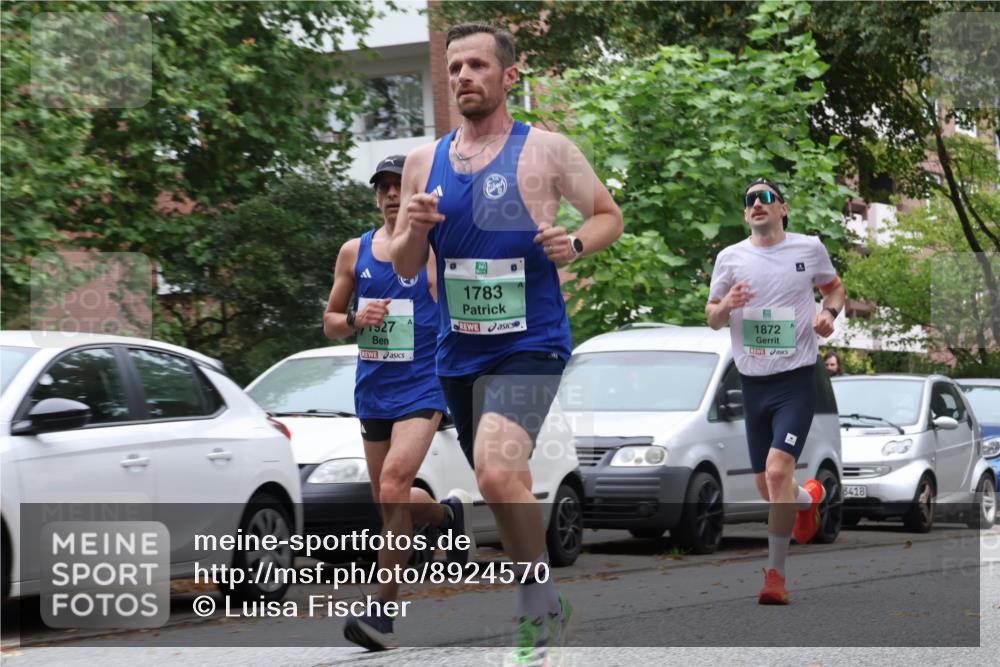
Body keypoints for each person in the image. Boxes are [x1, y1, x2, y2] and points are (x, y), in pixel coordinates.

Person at [390, 22, 623, 665]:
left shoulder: (546, 150)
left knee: (494, 469)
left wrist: (573, 243)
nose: (463, 76)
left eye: (477, 66)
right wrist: (414, 227)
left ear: (507, 77)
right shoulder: (423, 162)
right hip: (457, 353)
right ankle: (546, 599)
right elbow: (410, 267)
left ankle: (532, 606)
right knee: (505, 480)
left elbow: (608, 215)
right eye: (455, 67)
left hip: (533, 343)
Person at [323, 155, 474, 651]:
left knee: (393, 484)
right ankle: (447, 517)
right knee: (389, 503)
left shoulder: (432, 252)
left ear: (412, 194)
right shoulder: (354, 252)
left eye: (397, 186)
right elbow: (330, 321)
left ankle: (380, 616)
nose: (391, 194)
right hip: (373, 391)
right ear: (376, 196)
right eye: (382, 187)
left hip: (423, 387)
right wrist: (354, 318)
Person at [706, 177, 846, 605]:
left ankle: (775, 577)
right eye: (749, 199)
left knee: (778, 470)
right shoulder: (730, 259)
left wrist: (829, 313)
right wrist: (728, 305)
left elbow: (834, 288)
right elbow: (712, 317)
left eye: (765, 197)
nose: (756, 204)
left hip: (796, 379)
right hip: (753, 383)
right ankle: (808, 500)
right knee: (770, 488)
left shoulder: (808, 249)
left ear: (783, 208)